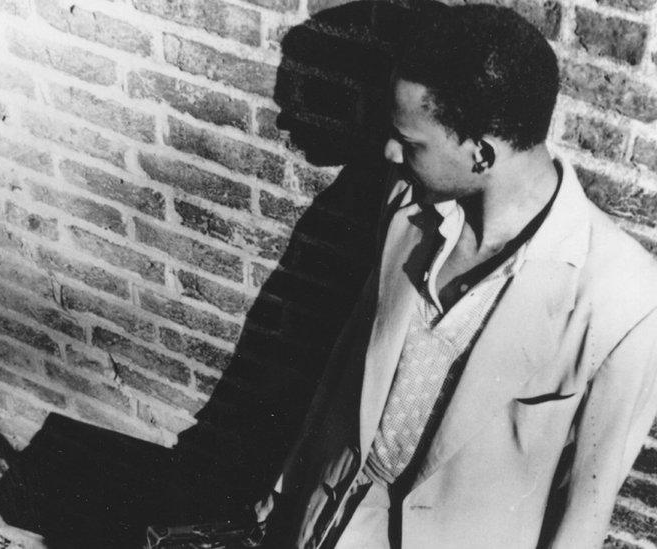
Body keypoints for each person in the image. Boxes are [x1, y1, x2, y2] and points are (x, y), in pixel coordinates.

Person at [253, 5, 657, 548]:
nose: (388, 151)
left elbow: (585, 512)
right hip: (330, 526)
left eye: (410, 141)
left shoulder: (626, 299)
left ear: (482, 153)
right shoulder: (406, 200)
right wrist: (286, 493)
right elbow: (351, 363)